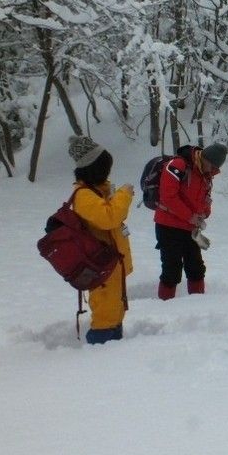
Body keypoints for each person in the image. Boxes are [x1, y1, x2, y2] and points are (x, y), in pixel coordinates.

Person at [68, 135, 134, 345]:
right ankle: (98, 357)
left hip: (112, 263)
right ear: (94, 168)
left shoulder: (98, 191)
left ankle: (113, 350)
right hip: (101, 266)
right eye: (105, 167)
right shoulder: (84, 196)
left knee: (115, 310)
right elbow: (109, 218)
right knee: (105, 315)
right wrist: (124, 195)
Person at [154, 142, 228, 300]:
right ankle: (164, 308)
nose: (212, 171)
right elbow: (168, 197)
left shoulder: (207, 175)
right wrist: (190, 216)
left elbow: (205, 200)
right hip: (168, 225)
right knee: (171, 270)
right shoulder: (178, 165)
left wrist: (204, 214)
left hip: (190, 229)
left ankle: (197, 306)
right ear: (205, 158)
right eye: (212, 166)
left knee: (196, 269)